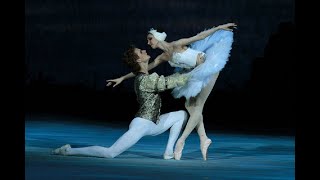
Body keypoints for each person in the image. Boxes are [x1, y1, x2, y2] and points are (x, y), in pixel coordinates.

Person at [106, 22, 236, 160]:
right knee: (190, 106)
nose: (148, 43)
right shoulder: (163, 57)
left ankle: (182, 141)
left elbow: (199, 36)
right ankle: (204, 139)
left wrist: (219, 28)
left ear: (158, 38)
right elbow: (143, 69)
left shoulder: (176, 44)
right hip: (192, 73)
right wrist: (123, 78)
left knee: (198, 106)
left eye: (150, 39)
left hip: (207, 66)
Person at [52, 45, 190, 159]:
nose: (144, 50)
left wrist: (122, 78)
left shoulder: (142, 75)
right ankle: (69, 151)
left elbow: (139, 72)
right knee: (110, 153)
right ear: (138, 60)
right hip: (142, 125)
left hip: (154, 123)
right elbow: (169, 82)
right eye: (141, 52)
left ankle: (168, 152)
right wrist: (194, 71)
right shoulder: (145, 80)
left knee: (181, 115)